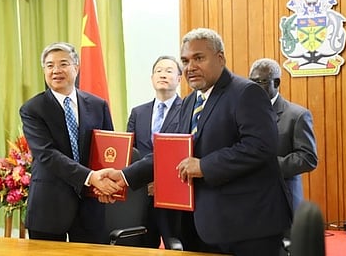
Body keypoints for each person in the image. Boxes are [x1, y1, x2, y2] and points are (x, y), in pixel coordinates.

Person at [99, 28, 292, 255]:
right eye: (185, 60)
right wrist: (123, 176)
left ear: (220, 58)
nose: (190, 67)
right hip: (202, 225)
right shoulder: (189, 102)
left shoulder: (247, 93)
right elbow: (171, 152)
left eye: (199, 58)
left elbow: (260, 147)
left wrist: (204, 165)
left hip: (249, 226)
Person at [19, 42, 122, 243]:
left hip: (90, 206)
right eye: (49, 66)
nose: (56, 70)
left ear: (76, 67)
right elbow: (47, 154)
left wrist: (107, 184)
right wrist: (90, 177)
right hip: (49, 206)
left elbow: (107, 148)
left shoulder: (97, 105)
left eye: (63, 64)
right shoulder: (32, 109)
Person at [126, 55, 183, 248]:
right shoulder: (138, 112)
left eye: (169, 71)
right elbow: (130, 152)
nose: (163, 75)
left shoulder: (187, 110)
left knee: (175, 244)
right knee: (142, 246)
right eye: (158, 71)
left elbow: (184, 151)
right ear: (152, 78)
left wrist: (161, 182)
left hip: (174, 195)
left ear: (179, 79)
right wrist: (145, 181)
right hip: (142, 194)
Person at [248, 58, 318, 213]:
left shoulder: (297, 115)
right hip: (251, 202)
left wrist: (268, 166)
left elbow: (308, 158)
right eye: (252, 82)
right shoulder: (244, 114)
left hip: (283, 200)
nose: (255, 87)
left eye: (262, 82)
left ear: (277, 83)